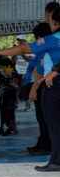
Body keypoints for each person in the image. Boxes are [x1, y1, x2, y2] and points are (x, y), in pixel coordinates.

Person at [0, 7, 60, 171]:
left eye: (50, 19)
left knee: (52, 122)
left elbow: (23, 49)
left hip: (53, 84)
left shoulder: (52, 39)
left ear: (55, 22)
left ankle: (56, 160)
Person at [24, 23, 52, 156]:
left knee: (44, 118)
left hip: (43, 86)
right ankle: (42, 142)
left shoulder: (44, 50)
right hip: (45, 86)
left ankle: (46, 146)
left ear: (40, 37)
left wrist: (33, 90)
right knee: (42, 118)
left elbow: (39, 73)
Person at [15, 35, 33, 111]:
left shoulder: (29, 50)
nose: (19, 42)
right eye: (18, 40)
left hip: (25, 72)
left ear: (24, 41)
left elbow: (30, 60)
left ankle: (27, 106)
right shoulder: (16, 49)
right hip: (17, 71)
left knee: (26, 89)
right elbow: (13, 60)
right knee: (15, 89)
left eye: (21, 40)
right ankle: (15, 105)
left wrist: (23, 55)